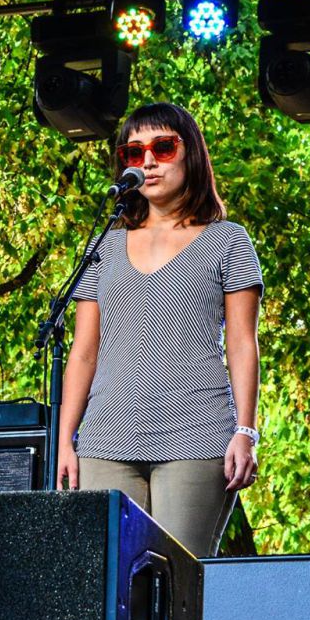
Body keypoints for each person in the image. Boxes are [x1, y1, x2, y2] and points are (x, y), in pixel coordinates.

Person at [56, 102, 263, 558]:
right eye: (134, 152)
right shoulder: (104, 245)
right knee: (113, 581)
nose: (148, 161)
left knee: (176, 577)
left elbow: (242, 343)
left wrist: (246, 431)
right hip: (104, 439)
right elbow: (83, 352)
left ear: (191, 154)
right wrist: (65, 440)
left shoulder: (228, 239)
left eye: (163, 147)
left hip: (196, 436)